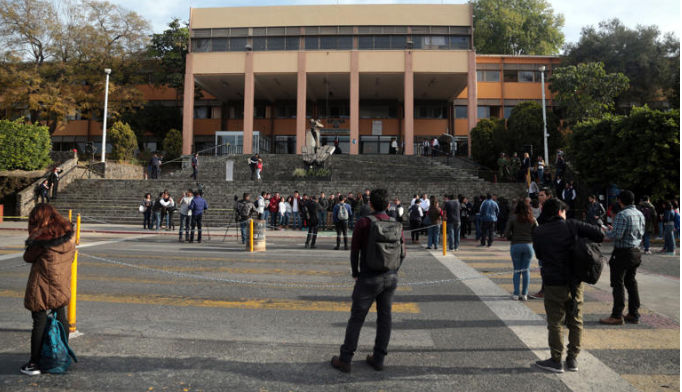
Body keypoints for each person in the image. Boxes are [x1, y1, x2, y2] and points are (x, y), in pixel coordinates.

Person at [331, 189, 405, 373]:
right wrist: (394, 270)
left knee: (356, 319)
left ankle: (345, 359)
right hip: (390, 277)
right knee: (385, 318)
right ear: (389, 205)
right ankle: (378, 358)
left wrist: (356, 273)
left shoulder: (364, 223)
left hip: (368, 277)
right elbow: (403, 253)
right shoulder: (396, 224)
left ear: (370, 204)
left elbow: (354, 251)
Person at [532, 198, 604, 373]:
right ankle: (572, 359)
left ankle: (556, 360)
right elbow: (599, 234)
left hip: (553, 282)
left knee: (555, 322)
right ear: (559, 212)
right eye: (564, 211)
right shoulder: (572, 225)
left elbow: (540, 255)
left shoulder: (539, 231)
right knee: (576, 320)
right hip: (574, 281)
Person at [21, 203, 76, 376]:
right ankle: (61, 355)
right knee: (61, 318)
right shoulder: (68, 235)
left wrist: (33, 238)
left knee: (39, 321)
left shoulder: (42, 239)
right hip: (61, 283)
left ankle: (34, 363)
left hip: (42, 284)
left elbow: (27, 257)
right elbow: (72, 256)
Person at [599, 190, 645, 325]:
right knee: (631, 282)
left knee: (617, 283)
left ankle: (617, 315)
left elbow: (616, 236)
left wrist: (606, 230)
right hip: (636, 251)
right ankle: (633, 313)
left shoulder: (622, 215)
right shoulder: (639, 213)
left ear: (620, 200)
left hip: (622, 253)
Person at [504, 201, 538, 300]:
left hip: (516, 245)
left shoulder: (513, 218)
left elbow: (506, 232)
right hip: (528, 245)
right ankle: (525, 294)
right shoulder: (532, 219)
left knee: (517, 270)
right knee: (526, 270)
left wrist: (512, 238)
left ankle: (516, 293)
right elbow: (537, 232)